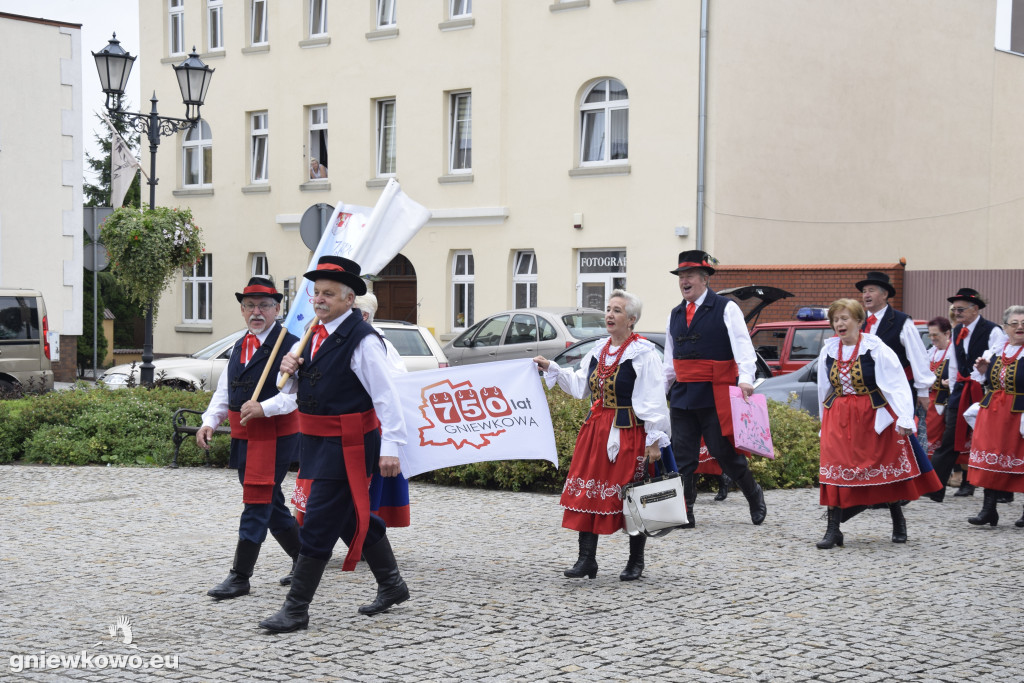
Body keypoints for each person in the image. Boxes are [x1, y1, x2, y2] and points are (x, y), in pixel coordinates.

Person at [259, 256, 409, 633]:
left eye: (328, 294)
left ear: (348, 300)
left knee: (318, 522)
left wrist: (392, 445)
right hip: (317, 441)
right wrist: (291, 374)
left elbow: (387, 396)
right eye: (316, 293)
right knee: (346, 517)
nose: (319, 299)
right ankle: (392, 584)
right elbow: (303, 392)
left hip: (350, 444)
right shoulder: (316, 332)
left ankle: (296, 609)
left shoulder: (363, 340)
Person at [535, 290, 670, 582]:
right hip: (596, 430)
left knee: (631, 495)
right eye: (608, 309)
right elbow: (581, 386)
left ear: (631, 319)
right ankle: (587, 559)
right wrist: (552, 368)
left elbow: (654, 398)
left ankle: (636, 561)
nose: (610, 315)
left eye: (617, 310)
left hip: (629, 431)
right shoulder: (599, 350)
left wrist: (654, 439)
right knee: (589, 491)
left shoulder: (643, 353)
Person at [198, 277, 301, 600]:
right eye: (250, 306)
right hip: (245, 432)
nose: (257, 312)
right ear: (242, 310)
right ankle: (306, 557)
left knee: (257, 502)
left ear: (277, 309)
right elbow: (227, 389)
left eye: (264, 306)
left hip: (274, 433)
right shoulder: (240, 344)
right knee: (270, 503)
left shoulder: (292, 345)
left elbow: (295, 396)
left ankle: (240, 576)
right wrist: (209, 421)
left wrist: (264, 407)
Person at [814, 299, 941, 549]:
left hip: (871, 416)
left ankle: (898, 518)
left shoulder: (875, 348)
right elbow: (823, 388)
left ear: (860, 321)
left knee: (884, 467)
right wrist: (822, 423)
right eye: (836, 319)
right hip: (837, 417)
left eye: (845, 318)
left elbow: (896, 384)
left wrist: (905, 417)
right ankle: (833, 530)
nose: (839, 323)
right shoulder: (828, 350)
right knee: (835, 471)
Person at [662, 250, 767, 527]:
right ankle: (686, 512)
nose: (684, 281)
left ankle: (754, 494)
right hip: (683, 394)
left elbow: (744, 347)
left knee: (725, 453)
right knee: (683, 457)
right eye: (681, 277)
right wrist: (659, 392)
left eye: (690, 276)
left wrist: (746, 377)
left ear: (705, 279)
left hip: (715, 392)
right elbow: (669, 362)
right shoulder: (674, 314)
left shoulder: (726, 307)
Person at [928, 288, 1008, 502]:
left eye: (961, 308)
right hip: (962, 392)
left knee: (993, 441)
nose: (956, 312)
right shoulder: (956, 331)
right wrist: (954, 392)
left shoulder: (993, 331)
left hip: (986, 391)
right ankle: (933, 488)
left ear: (975, 309)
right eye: (955, 309)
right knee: (950, 440)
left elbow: (1000, 362)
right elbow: (954, 365)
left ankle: (1003, 491)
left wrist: (987, 387)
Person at [964, 305, 1024, 527]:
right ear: (1005, 327)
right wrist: (982, 371)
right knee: (990, 457)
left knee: (1019, 458)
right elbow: (985, 381)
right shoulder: (995, 351)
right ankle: (989, 510)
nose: (1019, 327)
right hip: (993, 411)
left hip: (1019, 413)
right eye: (1014, 323)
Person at [924, 316, 955, 458]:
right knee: (926, 435)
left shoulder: (954, 352)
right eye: (930, 335)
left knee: (940, 438)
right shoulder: (931, 352)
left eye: (935, 334)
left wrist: (953, 382)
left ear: (947, 333)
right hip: (929, 402)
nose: (932, 338)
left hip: (945, 402)